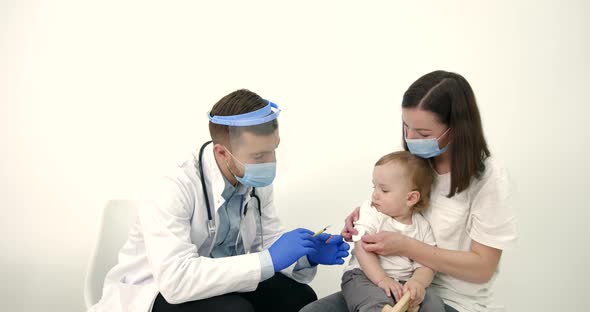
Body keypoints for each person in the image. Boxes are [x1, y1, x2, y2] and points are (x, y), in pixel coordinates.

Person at [88, 89, 350, 312]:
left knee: (299, 298)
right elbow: (176, 280)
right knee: (235, 310)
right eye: (259, 156)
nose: (270, 163)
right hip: (156, 290)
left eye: (273, 150)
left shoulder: (254, 182)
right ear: (222, 152)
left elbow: (266, 240)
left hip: (222, 282)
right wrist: (269, 258)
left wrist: (305, 256)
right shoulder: (171, 185)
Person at [301, 71, 517, 312]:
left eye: (423, 134)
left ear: (456, 128)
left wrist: (405, 247)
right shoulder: (412, 162)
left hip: (451, 299)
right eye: (406, 127)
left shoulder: (488, 178)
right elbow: (394, 206)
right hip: (384, 283)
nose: (411, 139)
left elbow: (483, 268)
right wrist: (368, 212)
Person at [341, 151, 445, 312]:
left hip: (404, 281)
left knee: (433, 304)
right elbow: (362, 247)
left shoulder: (422, 226)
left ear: (410, 198)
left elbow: (427, 264)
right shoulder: (371, 212)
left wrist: (417, 282)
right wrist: (382, 279)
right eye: (374, 187)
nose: (375, 194)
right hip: (363, 276)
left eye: (384, 190)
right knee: (376, 303)